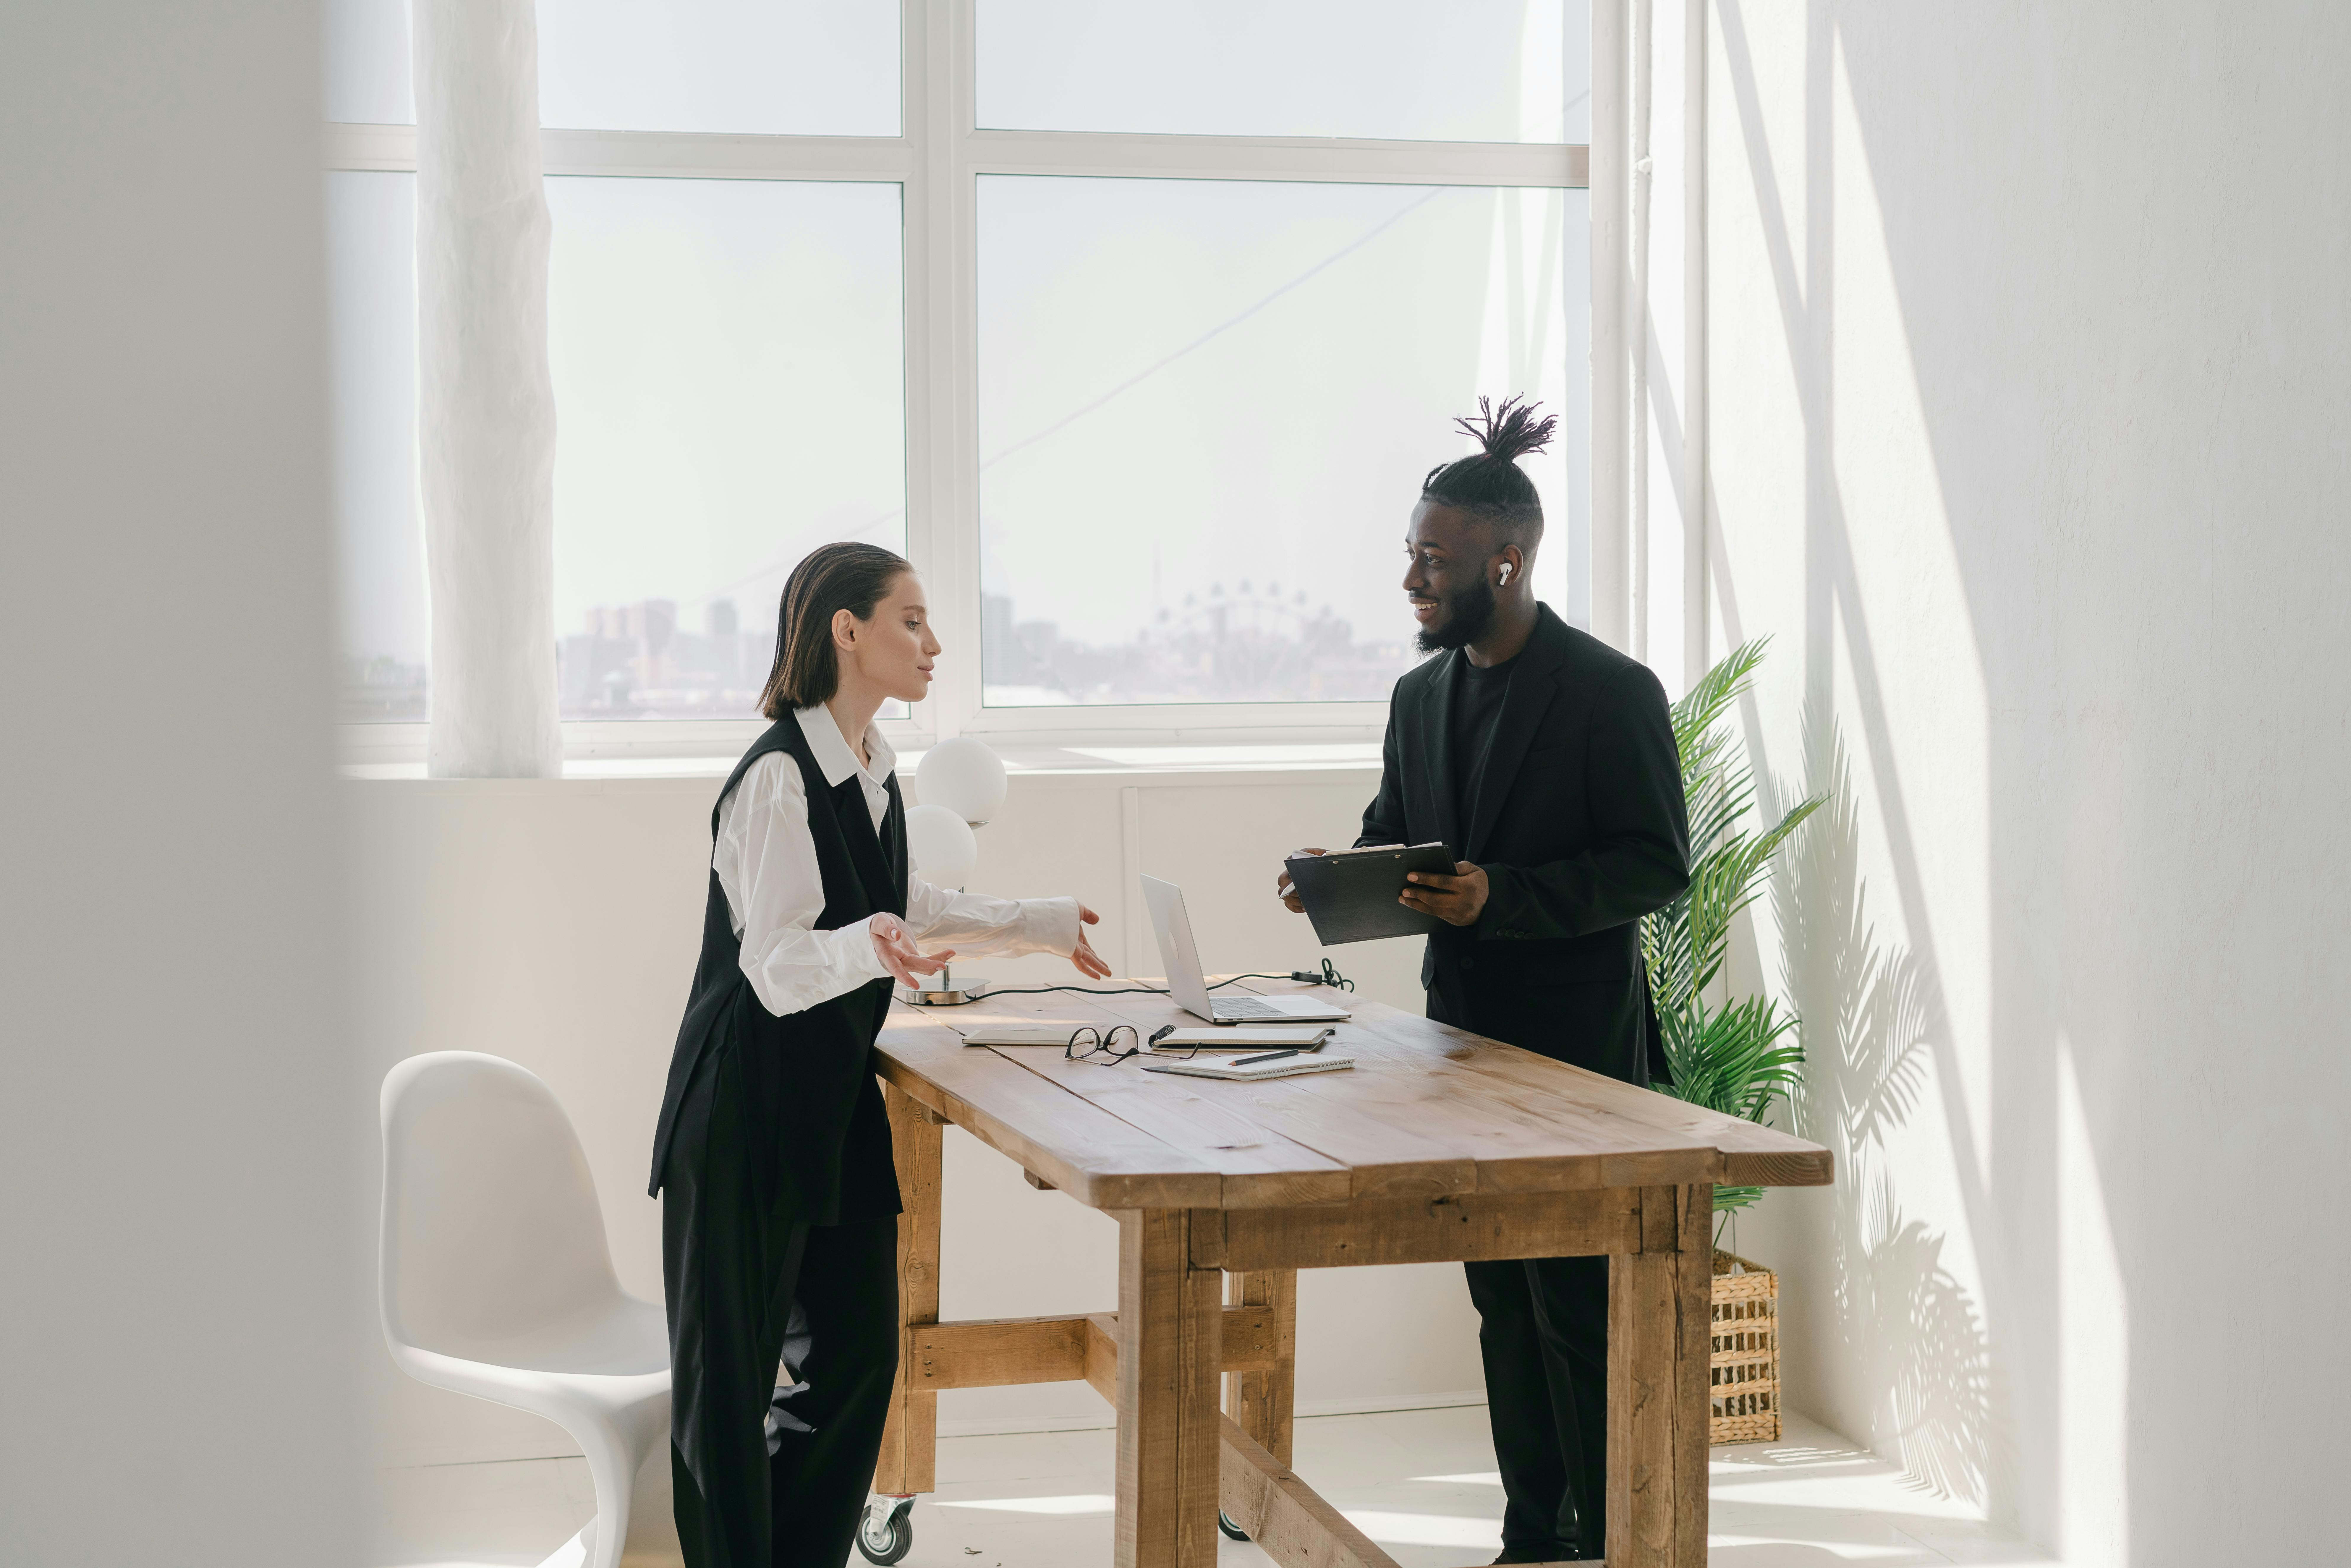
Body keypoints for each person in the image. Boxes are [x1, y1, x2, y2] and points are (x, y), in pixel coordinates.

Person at [1275, 398, 1690, 1562]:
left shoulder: (1611, 692)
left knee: (1580, 1309)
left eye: (1432, 558)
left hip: (1578, 1057)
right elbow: (1395, 837)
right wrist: (1330, 879)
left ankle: (1618, 1537)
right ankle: (1532, 1534)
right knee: (1500, 1298)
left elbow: (1657, 866)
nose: (1411, 577)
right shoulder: (1418, 698)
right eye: (1408, 554)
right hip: (1454, 1048)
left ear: (1503, 560)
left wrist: (1504, 896)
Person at [648, 542, 1110, 1568]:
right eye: (911, 620)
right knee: (729, 1391)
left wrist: (1035, 921)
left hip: (828, 1104)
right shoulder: (777, 779)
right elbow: (774, 966)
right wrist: (872, 945)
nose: (933, 643)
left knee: (859, 1362)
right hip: (742, 1116)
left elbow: (906, 901)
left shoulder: (872, 768)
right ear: (843, 631)